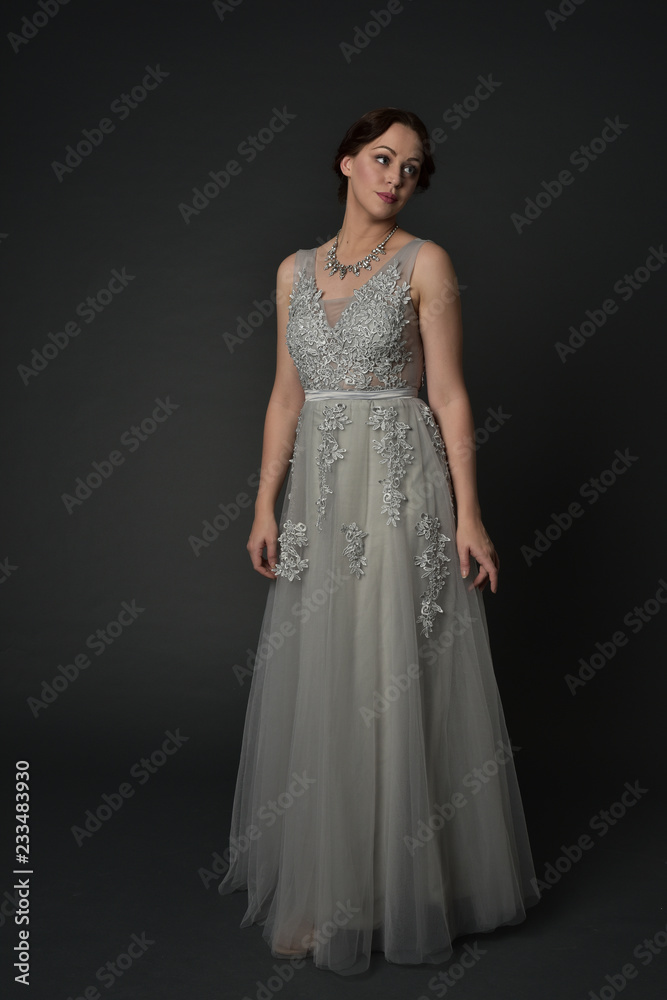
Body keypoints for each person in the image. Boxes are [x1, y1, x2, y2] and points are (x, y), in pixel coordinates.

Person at [218, 106, 541, 976]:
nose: (397, 176)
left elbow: (451, 396)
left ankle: (409, 890)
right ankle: (326, 892)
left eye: (412, 167)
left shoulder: (425, 264)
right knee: (326, 674)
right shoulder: (292, 271)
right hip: (321, 497)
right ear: (346, 162)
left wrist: (469, 515)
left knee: (392, 669)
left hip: (399, 487)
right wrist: (263, 506)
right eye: (383, 158)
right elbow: (286, 397)